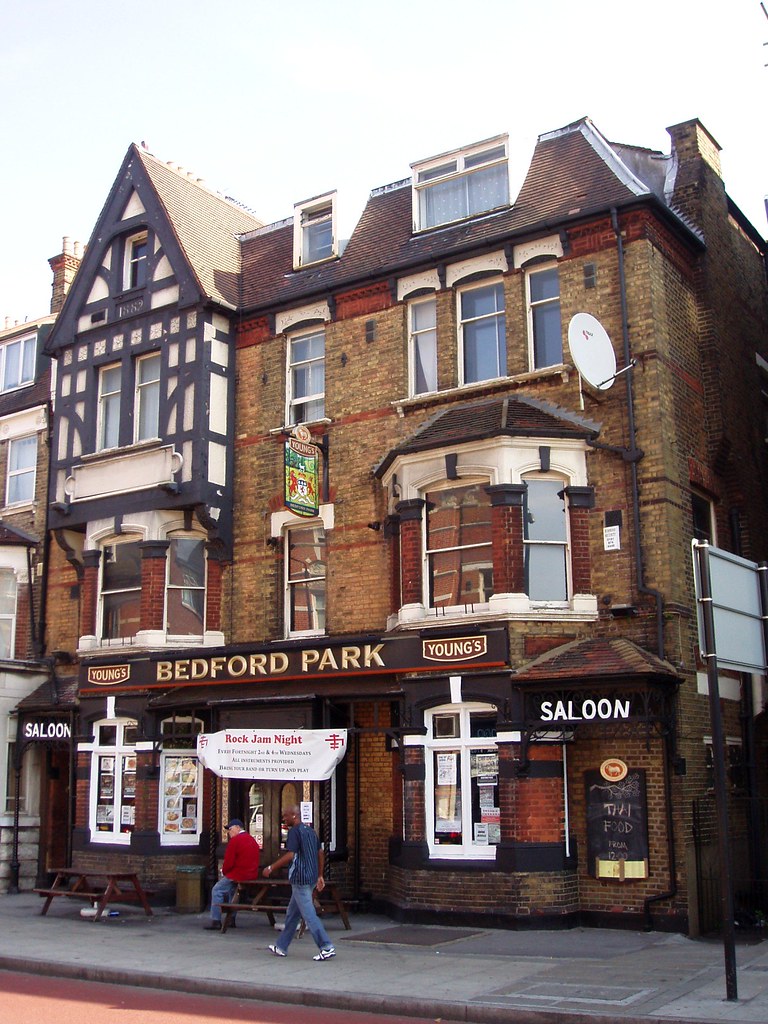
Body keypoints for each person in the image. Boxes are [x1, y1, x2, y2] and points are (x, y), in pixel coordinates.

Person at [263, 805, 336, 960]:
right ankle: (281, 946)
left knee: (309, 914)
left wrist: (271, 867)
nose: (284, 819)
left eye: (285, 816)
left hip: (299, 878)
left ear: (294, 816)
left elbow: (291, 854)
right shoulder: (310, 831)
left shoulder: (294, 832)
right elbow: (321, 853)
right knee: (292, 914)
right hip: (310, 877)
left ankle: (326, 946)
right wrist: (320, 875)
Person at [204, 818, 261, 931]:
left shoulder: (235, 841)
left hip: (238, 873)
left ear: (238, 828)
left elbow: (228, 861)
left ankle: (216, 920)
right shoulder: (252, 840)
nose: (229, 833)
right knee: (233, 893)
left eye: (230, 829)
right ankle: (231, 919)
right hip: (251, 874)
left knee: (217, 890)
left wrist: (225, 873)